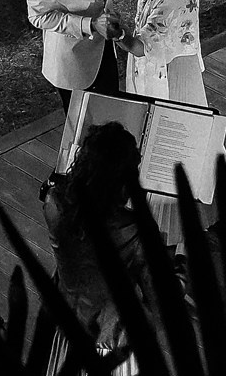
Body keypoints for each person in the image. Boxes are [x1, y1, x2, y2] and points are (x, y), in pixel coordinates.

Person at [42, 119, 151, 350]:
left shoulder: (53, 204)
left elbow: (56, 187)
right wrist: (181, 260)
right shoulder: (135, 231)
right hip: (107, 333)